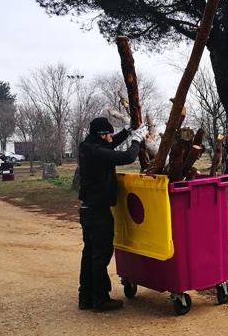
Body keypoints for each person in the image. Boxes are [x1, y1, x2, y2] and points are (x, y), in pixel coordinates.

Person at [77, 117, 147, 312]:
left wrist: (127, 130)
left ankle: (85, 297)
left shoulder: (88, 146)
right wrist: (136, 140)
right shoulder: (97, 152)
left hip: (87, 210)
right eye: (109, 133)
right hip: (98, 212)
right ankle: (100, 299)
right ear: (101, 135)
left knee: (89, 254)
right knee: (101, 256)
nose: (111, 137)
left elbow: (110, 143)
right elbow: (127, 157)